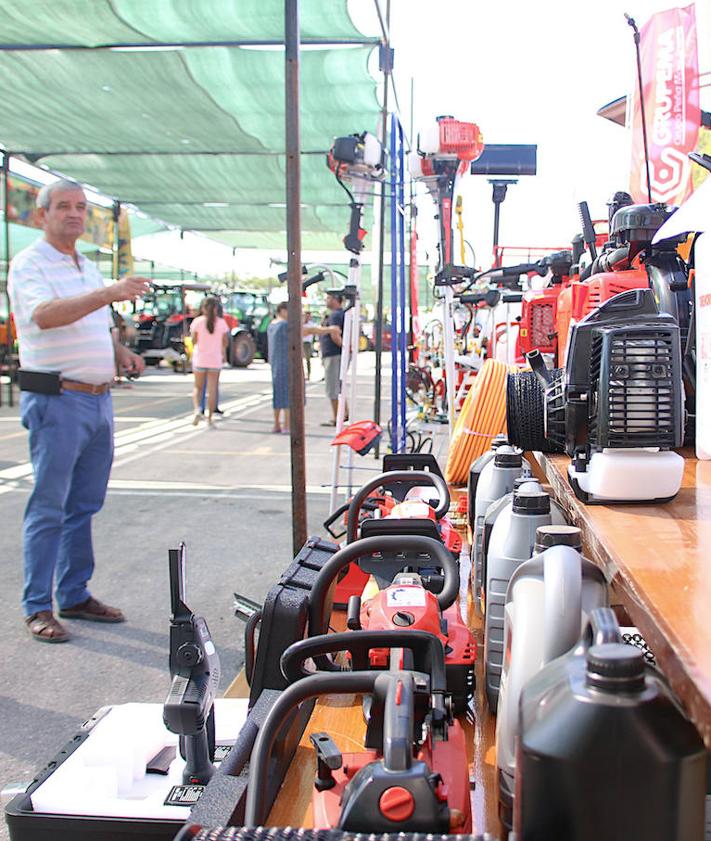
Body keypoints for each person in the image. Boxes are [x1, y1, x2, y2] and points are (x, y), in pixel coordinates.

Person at [8, 179, 150, 643]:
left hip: (96, 397)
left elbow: (93, 320)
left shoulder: (84, 264)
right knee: (49, 507)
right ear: (41, 215)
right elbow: (45, 315)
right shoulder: (31, 263)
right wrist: (108, 293)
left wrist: (117, 352)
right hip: (58, 399)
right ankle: (38, 605)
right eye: (64, 206)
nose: (73, 214)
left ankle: (73, 592)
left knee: (83, 505)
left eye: (80, 207)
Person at [268, 302, 339, 433]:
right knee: (290, 394)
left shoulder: (272, 325)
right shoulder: (285, 325)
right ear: (283, 311)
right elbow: (307, 331)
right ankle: (287, 425)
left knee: (278, 394)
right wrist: (330, 329)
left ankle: (277, 423)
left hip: (276, 363)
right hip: (289, 362)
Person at [190, 296, 228, 427]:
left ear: (203, 308)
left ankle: (197, 410)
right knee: (212, 390)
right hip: (215, 360)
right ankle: (210, 418)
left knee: (198, 388)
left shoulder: (197, 322)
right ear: (216, 309)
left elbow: (193, 341)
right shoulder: (222, 323)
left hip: (200, 358)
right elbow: (225, 342)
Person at [320, 291, 346, 426]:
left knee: (333, 387)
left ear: (336, 300)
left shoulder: (335, 315)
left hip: (333, 355)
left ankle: (337, 418)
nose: (326, 300)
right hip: (335, 354)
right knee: (338, 386)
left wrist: (345, 347)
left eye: (329, 298)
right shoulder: (340, 314)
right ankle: (343, 413)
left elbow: (335, 334)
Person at [302, 309, 316, 381]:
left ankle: (308, 374)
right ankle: (302, 374)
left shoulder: (312, 324)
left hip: (308, 343)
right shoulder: (301, 323)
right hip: (301, 342)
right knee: (301, 360)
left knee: (308, 359)